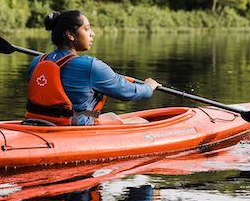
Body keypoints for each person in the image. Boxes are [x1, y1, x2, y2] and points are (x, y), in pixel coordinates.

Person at [25, 10, 160, 126]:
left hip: (37, 122)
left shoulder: (38, 61)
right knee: (140, 122)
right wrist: (148, 87)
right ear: (70, 35)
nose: (92, 33)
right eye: (86, 29)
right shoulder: (90, 66)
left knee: (112, 116)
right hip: (72, 129)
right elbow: (127, 93)